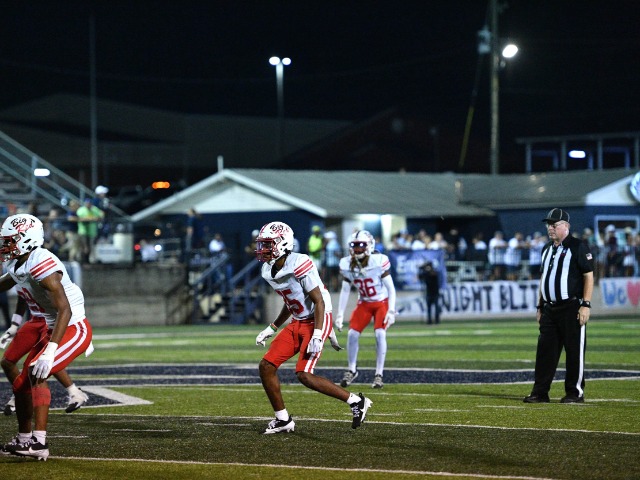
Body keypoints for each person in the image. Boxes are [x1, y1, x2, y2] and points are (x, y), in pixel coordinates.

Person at [253, 221, 372, 434]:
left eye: (268, 244)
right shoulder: (268, 270)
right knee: (266, 366)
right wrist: (272, 327)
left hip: (317, 318)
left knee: (304, 375)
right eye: (263, 244)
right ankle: (283, 419)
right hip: (298, 321)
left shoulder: (300, 262)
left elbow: (319, 301)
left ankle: (356, 401)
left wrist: (319, 333)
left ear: (283, 243)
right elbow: (291, 302)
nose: (263, 249)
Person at [0, 213, 94, 460]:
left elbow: (65, 310)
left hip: (73, 326)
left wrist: (50, 350)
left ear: (27, 239)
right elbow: (7, 282)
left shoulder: (42, 261)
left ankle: (39, 442)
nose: (6, 245)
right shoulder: (17, 262)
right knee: (21, 384)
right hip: (51, 327)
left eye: (10, 240)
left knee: (36, 371)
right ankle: (24, 439)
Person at [524, 208, 594, 404]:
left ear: (566, 226)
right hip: (549, 309)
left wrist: (586, 304)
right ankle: (540, 392)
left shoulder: (578, 246)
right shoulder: (547, 248)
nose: (550, 228)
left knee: (574, 352)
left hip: (571, 307)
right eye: (549, 225)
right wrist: (540, 306)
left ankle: (575, 392)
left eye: (554, 225)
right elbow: (544, 278)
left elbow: (588, 275)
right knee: (545, 352)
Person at [1, 299, 89, 416]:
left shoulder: (49, 286)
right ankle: (22, 394)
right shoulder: (20, 285)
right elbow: (22, 298)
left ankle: (73, 392)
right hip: (34, 320)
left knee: (43, 362)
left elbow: (64, 302)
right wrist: (14, 325)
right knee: (7, 361)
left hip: (51, 321)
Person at [334, 230, 397, 389]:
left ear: (369, 245)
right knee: (352, 334)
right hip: (364, 303)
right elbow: (345, 290)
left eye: (361, 245)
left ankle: (379, 374)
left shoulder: (378, 261)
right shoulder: (347, 264)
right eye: (354, 245)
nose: (357, 249)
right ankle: (352, 369)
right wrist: (340, 314)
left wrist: (391, 310)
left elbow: (391, 289)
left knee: (380, 334)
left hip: (381, 302)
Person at [75, 197, 104, 263]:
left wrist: (98, 218)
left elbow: (101, 215)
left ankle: (90, 260)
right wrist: (90, 219)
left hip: (92, 231)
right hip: (83, 231)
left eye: (89, 203)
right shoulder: (81, 210)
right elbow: (78, 218)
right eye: (87, 203)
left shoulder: (94, 209)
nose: (88, 205)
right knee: (83, 246)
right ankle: (81, 260)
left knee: (91, 246)